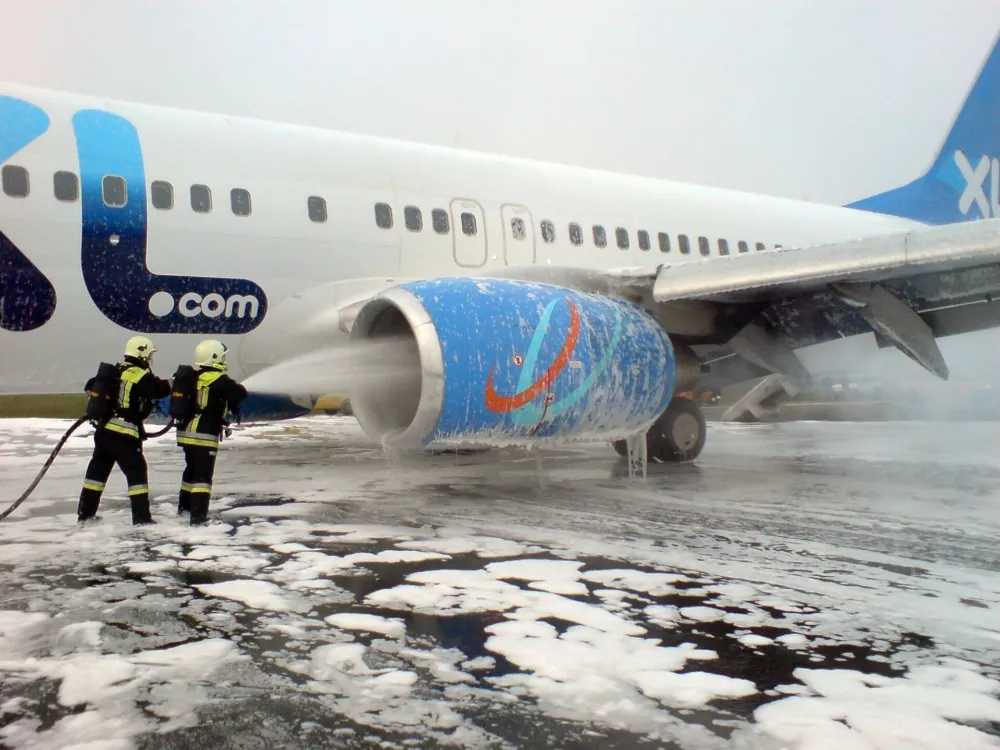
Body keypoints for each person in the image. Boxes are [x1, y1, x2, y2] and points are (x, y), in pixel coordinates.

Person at [78, 336, 171, 525]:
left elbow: (90, 385)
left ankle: (85, 514)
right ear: (142, 353)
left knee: (97, 474)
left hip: (104, 433)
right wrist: (176, 381)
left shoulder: (114, 371)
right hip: (124, 434)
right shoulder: (139, 374)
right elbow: (159, 390)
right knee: (137, 473)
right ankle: (142, 518)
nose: (150, 360)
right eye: (149, 355)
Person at [176, 340, 248, 525]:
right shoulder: (220, 380)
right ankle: (198, 518)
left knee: (190, 471)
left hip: (186, 434)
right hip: (205, 435)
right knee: (203, 477)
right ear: (214, 357)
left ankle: (183, 509)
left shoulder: (193, 377)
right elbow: (240, 393)